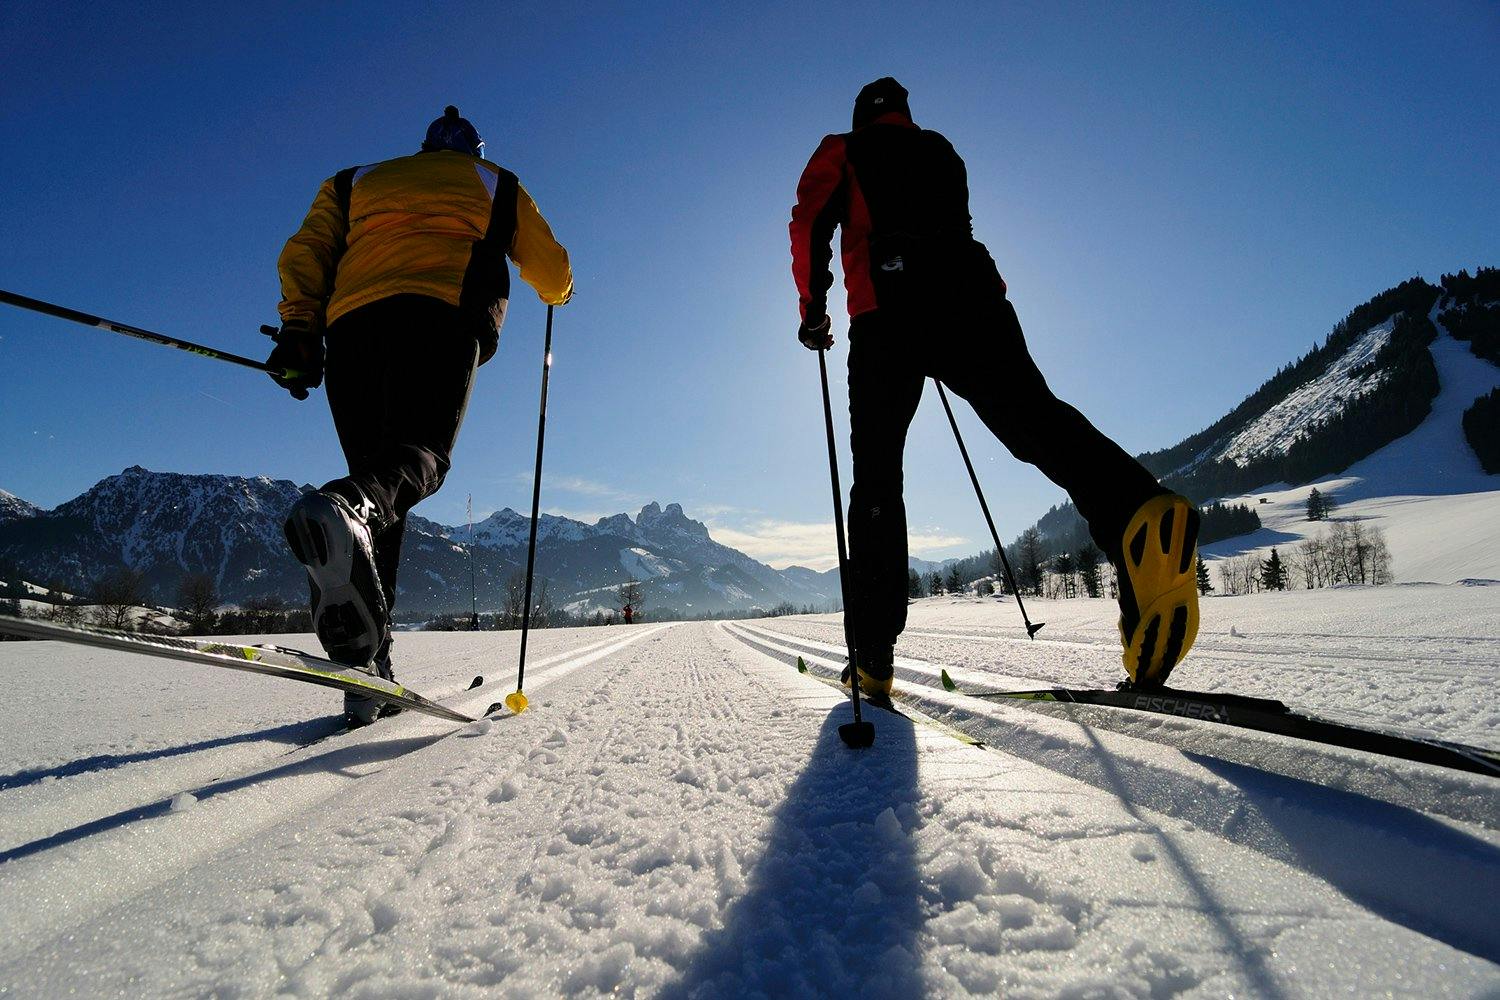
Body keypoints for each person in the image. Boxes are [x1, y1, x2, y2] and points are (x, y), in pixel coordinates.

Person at [789, 78, 1199, 696]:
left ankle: (872, 655)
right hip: (974, 301)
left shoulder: (842, 149)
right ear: (905, 115)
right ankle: (1136, 506)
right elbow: (955, 230)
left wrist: (812, 309)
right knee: (1034, 418)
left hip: (886, 316)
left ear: (860, 117)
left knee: (877, 478)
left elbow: (808, 223)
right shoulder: (942, 152)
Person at [271, 106, 572, 725]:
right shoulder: (495, 183)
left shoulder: (354, 181)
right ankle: (349, 510)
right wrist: (559, 293)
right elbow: (551, 270)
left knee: (379, 489)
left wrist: (300, 329)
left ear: (425, 149)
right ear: (472, 151)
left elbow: (308, 250)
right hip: (441, 316)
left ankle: (369, 670)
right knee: (420, 459)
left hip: (351, 330)